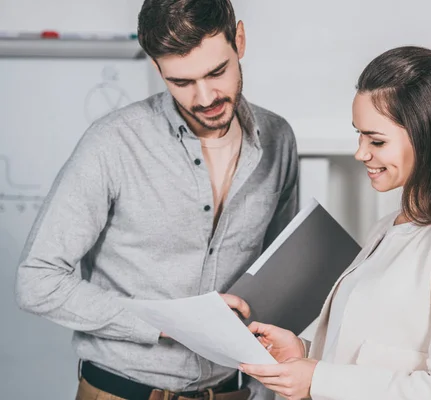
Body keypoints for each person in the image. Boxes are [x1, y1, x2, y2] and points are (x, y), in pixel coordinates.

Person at [14, 0, 297, 399]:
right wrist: (166, 320)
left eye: (217, 72)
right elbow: (37, 281)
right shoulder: (112, 142)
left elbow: (278, 279)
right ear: (156, 67)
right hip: (119, 391)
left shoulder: (278, 139)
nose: (204, 97)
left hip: (233, 392)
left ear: (240, 40)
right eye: (181, 82)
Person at [239, 46, 431, 400]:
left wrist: (317, 378)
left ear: (426, 137)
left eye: (376, 140)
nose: (360, 152)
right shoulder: (386, 228)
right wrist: (304, 354)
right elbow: (370, 352)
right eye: (359, 134)